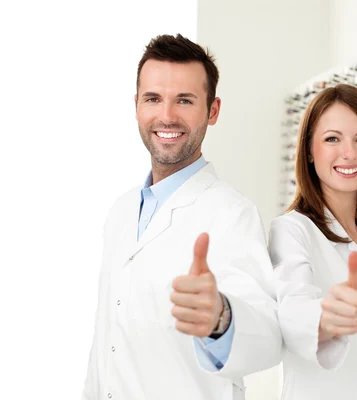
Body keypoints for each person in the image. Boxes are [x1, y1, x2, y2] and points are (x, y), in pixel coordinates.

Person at [82, 34, 282, 400]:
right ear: (137, 106)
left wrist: (221, 317)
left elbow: (268, 336)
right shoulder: (121, 211)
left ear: (213, 110)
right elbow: (106, 343)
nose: (167, 116)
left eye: (185, 100)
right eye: (153, 98)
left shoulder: (232, 214)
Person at [269, 83, 357, 399]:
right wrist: (324, 318)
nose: (350, 153)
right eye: (332, 139)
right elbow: (292, 309)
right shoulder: (291, 231)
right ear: (310, 153)